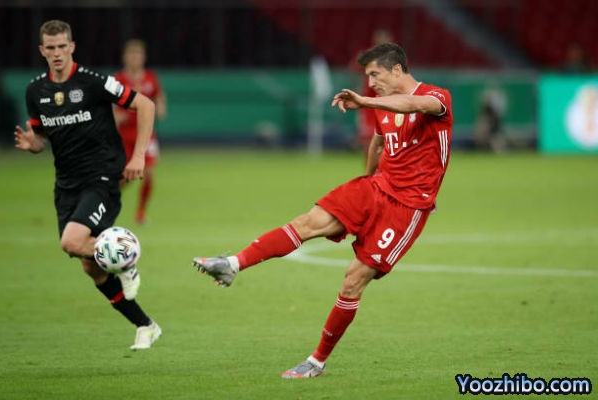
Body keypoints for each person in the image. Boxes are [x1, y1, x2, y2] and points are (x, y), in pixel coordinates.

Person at [193, 42, 453, 378]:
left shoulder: (437, 97)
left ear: (398, 70)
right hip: (375, 187)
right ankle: (232, 264)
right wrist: (367, 180)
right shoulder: (382, 105)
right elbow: (378, 143)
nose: (370, 82)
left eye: (375, 74)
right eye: (368, 76)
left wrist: (365, 101)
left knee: (353, 281)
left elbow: (413, 104)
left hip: (408, 206)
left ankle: (316, 361)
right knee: (307, 222)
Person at [14, 20, 161, 349]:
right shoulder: (35, 91)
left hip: (102, 178)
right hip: (66, 185)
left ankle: (126, 259)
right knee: (90, 267)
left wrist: (138, 156)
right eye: (50, 48)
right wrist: (33, 144)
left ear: (71, 47)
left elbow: (146, 105)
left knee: (71, 241)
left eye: (61, 46)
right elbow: (42, 137)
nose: (56, 53)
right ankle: (146, 325)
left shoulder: (94, 82)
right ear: (42, 51)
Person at [113, 39, 166, 224]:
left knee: (149, 172)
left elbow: (158, 97)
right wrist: (116, 116)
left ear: (143, 57)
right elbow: (107, 106)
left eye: (138, 54)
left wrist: (160, 108)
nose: (135, 58)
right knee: (125, 176)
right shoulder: (118, 80)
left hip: (146, 134)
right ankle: (109, 196)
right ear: (125, 57)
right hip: (124, 135)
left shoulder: (150, 78)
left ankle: (141, 212)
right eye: (132, 54)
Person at [348, 28, 394, 161]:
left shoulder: (396, 59)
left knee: (388, 140)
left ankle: (384, 169)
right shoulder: (367, 56)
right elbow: (353, 70)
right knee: (368, 142)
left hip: (388, 105)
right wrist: (357, 90)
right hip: (369, 106)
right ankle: (371, 171)